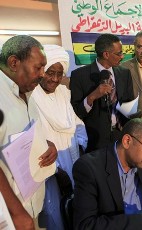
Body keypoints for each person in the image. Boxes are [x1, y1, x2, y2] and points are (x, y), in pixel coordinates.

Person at [0, 35, 58, 229]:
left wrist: (48, 145)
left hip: (31, 207)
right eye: (38, 67)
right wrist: (16, 212)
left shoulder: (28, 92)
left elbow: (30, 132)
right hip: (10, 217)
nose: (43, 74)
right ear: (14, 62)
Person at [31, 45, 88, 229]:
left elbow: (78, 123)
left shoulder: (64, 93)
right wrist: (56, 170)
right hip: (49, 166)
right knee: (54, 211)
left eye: (59, 73)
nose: (55, 79)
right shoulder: (32, 97)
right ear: (41, 70)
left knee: (74, 208)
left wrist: (79, 146)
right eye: (50, 72)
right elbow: (32, 138)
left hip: (73, 158)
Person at [70, 34, 135, 153]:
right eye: (119, 53)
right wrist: (92, 96)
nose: (122, 56)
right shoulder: (79, 76)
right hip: (95, 141)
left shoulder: (124, 73)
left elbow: (129, 102)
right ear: (106, 54)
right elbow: (76, 113)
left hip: (122, 136)